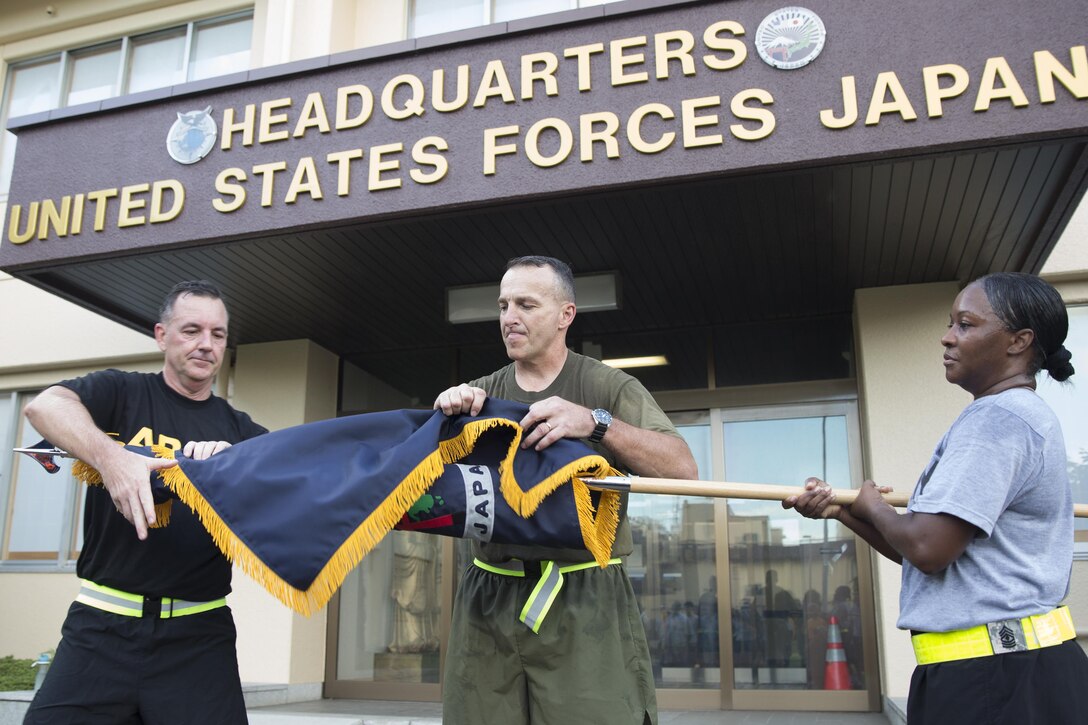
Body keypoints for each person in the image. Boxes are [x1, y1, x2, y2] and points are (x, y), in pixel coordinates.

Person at [783, 272, 1088, 724]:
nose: (947, 338)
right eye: (950, 323)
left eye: (965, 325)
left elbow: (928, 547)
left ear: (1018, 341)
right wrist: (844, 511)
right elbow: (927, 554)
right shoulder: (1011, 416)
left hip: (998, 682)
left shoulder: (999, 419)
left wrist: (875, 505)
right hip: (1002, 673)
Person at [434, 255, 697, 725]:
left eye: (526, 305)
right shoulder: (478, 395)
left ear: (565, 315)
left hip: (584, 601)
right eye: (503, 305)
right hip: (487, 602)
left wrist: (597, 425)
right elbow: (427, 483)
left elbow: (683, 470)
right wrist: (446, 418)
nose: (509, 318)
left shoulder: (608, 386)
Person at [23, 280, 267, 724]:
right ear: (161, 335)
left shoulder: (242, 432)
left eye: (218, 334)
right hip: (101, 627)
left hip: (199, 638)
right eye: (191, 330)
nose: (206, 345)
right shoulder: (120, 392)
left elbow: (309, 470)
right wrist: (114, 461)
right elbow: (45, 407)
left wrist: (233, 468)